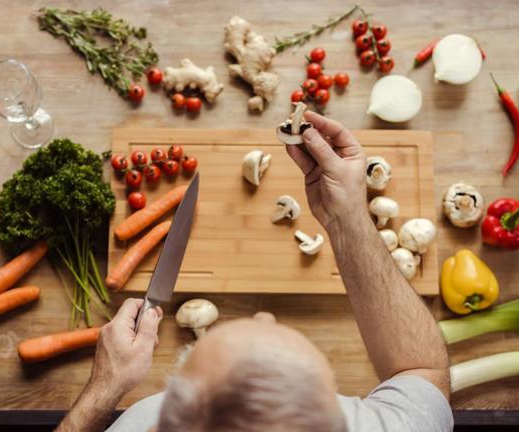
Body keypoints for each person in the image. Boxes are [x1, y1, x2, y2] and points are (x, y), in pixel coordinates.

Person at [56, 112, 453, 432]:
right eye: (277, 330)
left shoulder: (139, 426)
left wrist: (103, 390)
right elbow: (421, 370)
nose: (264, 315)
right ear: (337, 408)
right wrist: (346, 214)